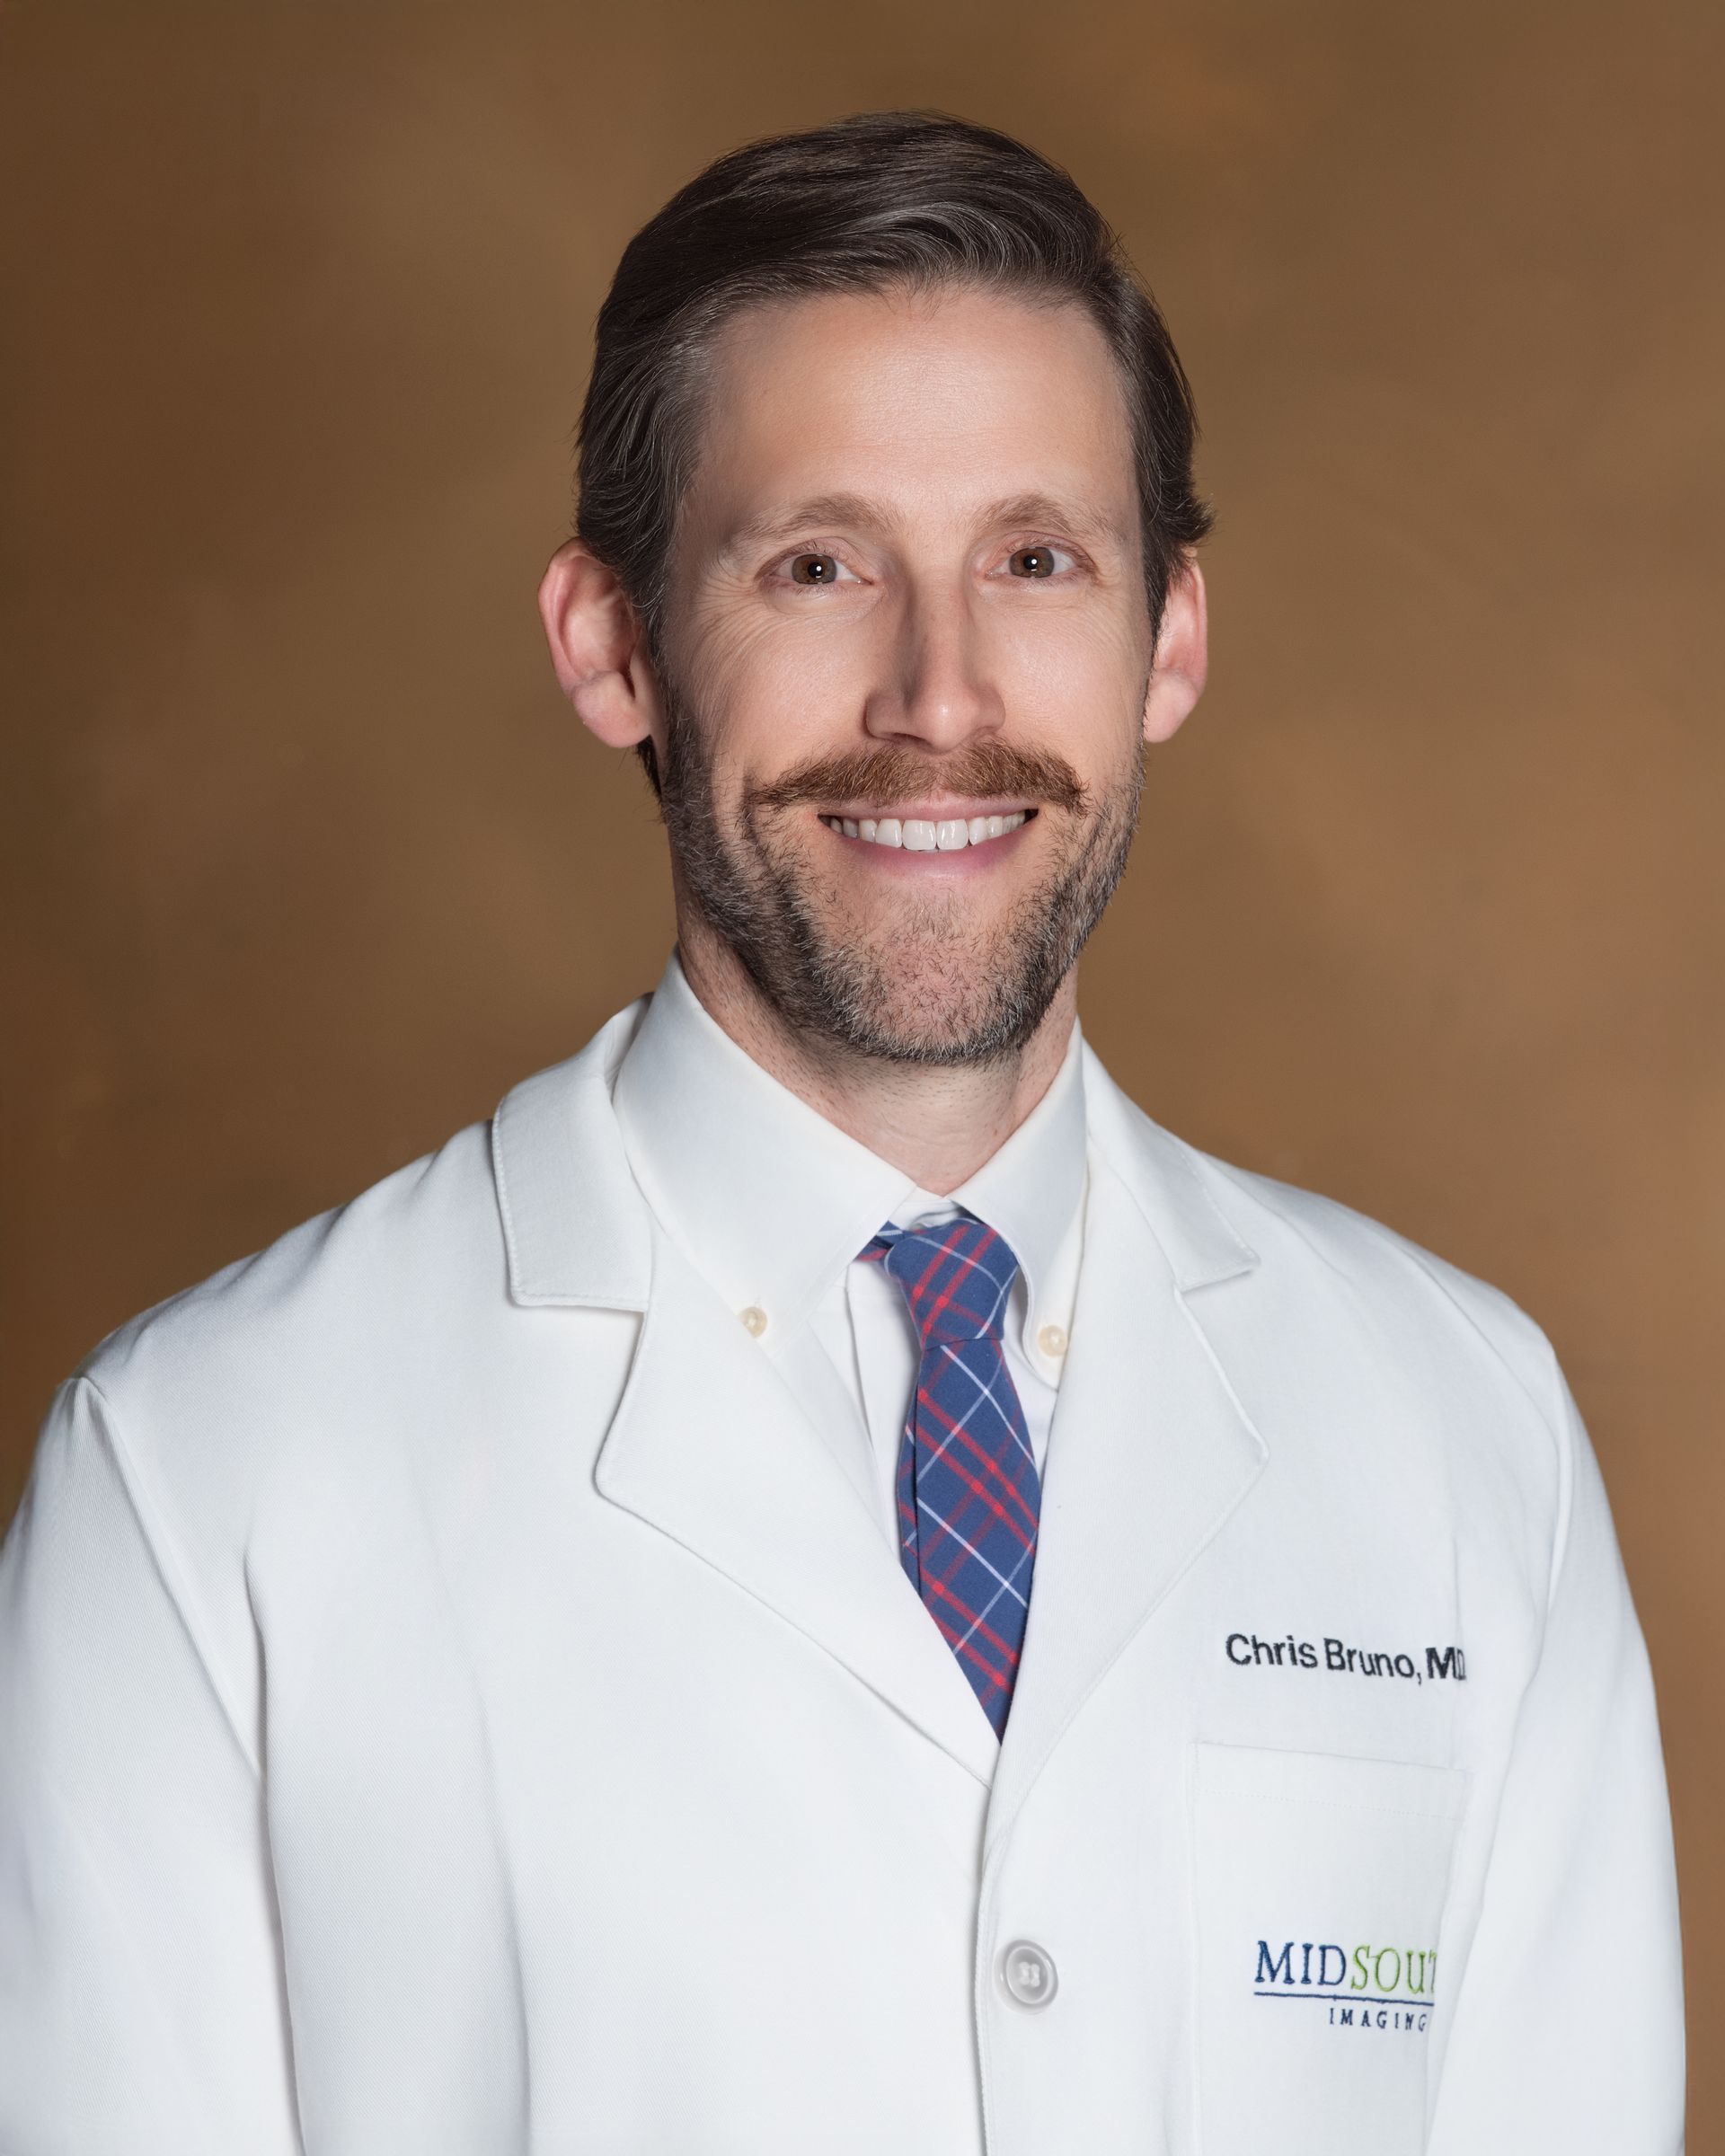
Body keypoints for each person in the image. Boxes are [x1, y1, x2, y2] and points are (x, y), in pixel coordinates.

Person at [0, 109, 1684, 2155]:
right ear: (613, 643)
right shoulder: (201, 1481)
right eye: (818, 565)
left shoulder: (1466, 1432)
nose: (940, 697)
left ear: (1170, 637)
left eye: (1036, 559)